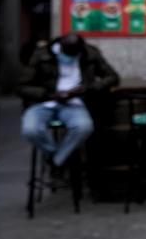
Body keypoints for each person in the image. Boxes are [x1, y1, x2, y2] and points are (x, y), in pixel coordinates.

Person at [20, 34, 120, 171]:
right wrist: (48, 94)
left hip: (74, 103)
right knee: (30, 130)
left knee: (84, 127)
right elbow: (22, 86)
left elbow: (112, 77)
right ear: (60, 47)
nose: (70, 57)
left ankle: (57, 161)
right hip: (43, 102)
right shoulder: (41, 55)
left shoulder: (89, 53)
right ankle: (56, 155)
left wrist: (89, 88)